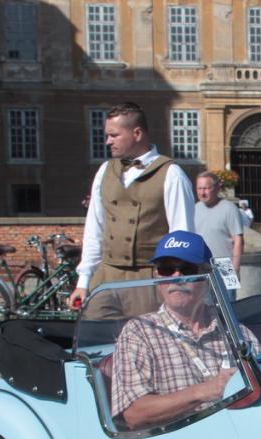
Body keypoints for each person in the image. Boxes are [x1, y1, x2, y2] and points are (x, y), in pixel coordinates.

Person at [109, 231, 259, 429]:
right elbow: (133, 414)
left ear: (208, 276)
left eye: (187, 269)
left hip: (240, 433)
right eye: (166, 269)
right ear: (156, 276)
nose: (177, 277)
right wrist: (205, 391)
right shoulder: (139, 331)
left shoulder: (235, 331)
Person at [69, 102, 194, 318]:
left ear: (137, 133)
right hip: (106, 278)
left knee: (146, 338)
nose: (108, 141)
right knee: (94, 336)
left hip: (148, 280)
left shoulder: (172, 174)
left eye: (114, 135)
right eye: (107, 135)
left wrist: (175, 283)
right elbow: (94, 230)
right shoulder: (105, 170)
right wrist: (83, 282)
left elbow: (182, 236)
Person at [193, 171, 245, 276]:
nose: (202, 193)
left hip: (224, 265)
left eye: (206, 188)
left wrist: (235, 269)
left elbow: (238, 240)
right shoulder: (194, 209)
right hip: (200, 265)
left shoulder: (229, 209)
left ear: (217, 189)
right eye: (199, 188)